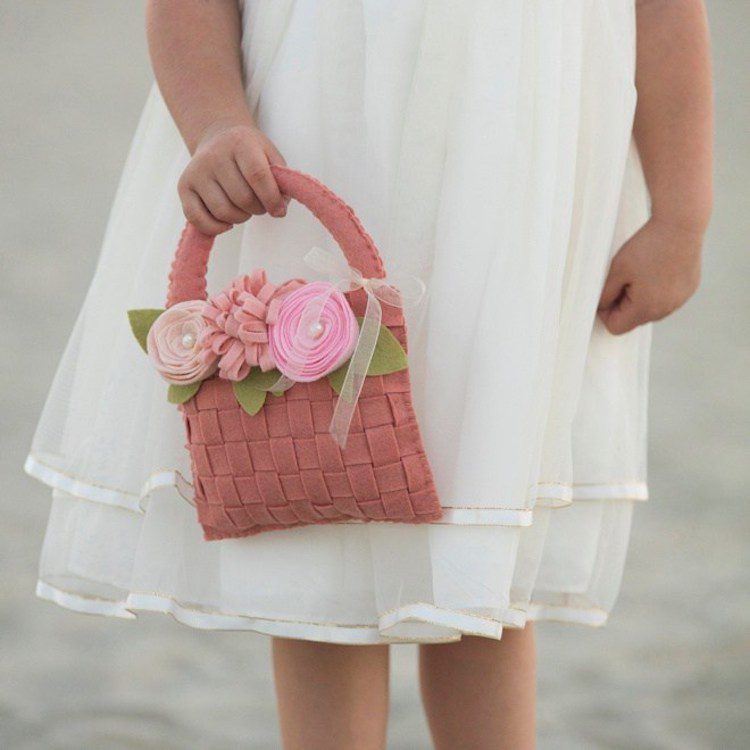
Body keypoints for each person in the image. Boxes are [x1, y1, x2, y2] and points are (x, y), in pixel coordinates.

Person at [27, 1, 712, 747]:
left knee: (484, 530)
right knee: (321, 513)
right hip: (321, 138)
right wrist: (215, 122)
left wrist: (682, 211)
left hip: (513, 184)